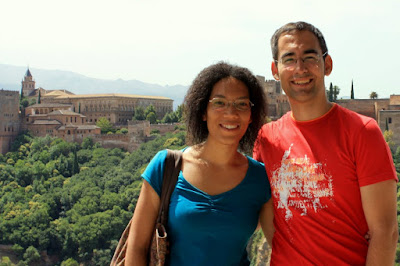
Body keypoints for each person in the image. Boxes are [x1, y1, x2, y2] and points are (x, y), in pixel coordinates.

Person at [253, 21, 399, 265]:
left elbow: (385, 232)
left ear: (327, 64)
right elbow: (255, 212)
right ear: (275, 71)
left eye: (309, 57)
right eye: (289, 59)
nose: (299, 68)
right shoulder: (266, 138)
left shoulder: (362, 132)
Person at [125, 62, 271, 265]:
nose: (231, 113)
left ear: (251, 116)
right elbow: (137, 249)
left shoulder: (260, 178)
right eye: (219, 103)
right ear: (203, 111)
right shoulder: (165, 167)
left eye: (241, 104)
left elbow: (283, 244)